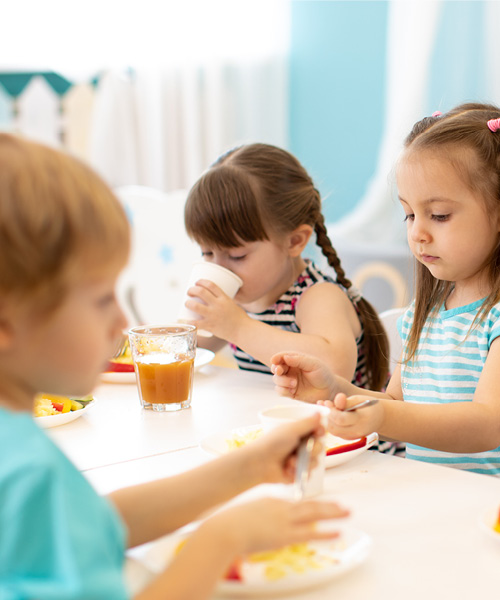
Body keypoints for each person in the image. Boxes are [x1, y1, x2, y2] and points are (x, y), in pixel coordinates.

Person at [0, 134, 349, 600]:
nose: (122, 322)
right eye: (103, 299)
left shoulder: (19, 452)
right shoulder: (24, 472)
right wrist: (222, 541)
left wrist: (248, 467)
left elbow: (91, 523)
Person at [271, 102, 500, 477]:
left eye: (439, 215)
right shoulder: (423, 314)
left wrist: (384, 415)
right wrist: (332, 390)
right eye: (409, 214)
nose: (417, 232)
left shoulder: (495, 317)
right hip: (427, 497)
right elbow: (395, 401)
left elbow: (487, 423)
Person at [183, 143, 389, 393]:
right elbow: (195, 345)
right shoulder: (240, 300)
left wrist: (237, 327)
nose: (219, 267)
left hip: (341, 428)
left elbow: (335, 368)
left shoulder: (317, 297)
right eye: (207, 253)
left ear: (294, 241)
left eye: (237, 255)